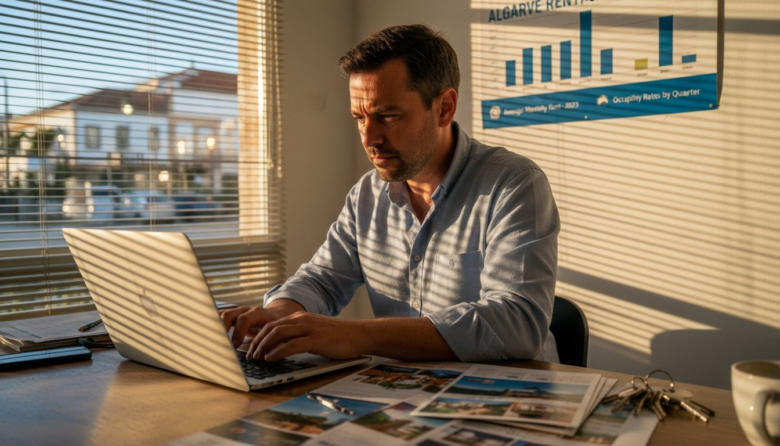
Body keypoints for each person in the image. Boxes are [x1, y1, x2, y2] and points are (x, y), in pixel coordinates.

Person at [221, 24, 560, 363]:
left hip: (507, 398)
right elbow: (323, 279)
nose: (369, 138)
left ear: (444, 107)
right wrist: (282, 312)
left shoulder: (513, 184)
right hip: (403, 394)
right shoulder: (366, 195)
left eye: (388, 115)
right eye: (359, 118)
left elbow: (516, 325)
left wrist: (355, 336)